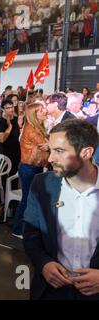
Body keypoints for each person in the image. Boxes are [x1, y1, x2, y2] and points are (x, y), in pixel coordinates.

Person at [24, 119, 99, 300]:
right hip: (51, 290)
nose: (50, 159)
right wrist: (44, 263)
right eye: (50, 150)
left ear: (86, 152)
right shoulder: (42, 185)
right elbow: (31, 235)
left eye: (59, 151)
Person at [13, 102, 50, 239]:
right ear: (34, 115)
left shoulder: (37, 127)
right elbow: (45, 145)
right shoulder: (31, 129)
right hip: (29, 167)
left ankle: (23, 227)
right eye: (41, 111)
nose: (45, 112)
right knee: (27, 199)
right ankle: (17, 229)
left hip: (34, 166)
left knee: (30, 198)